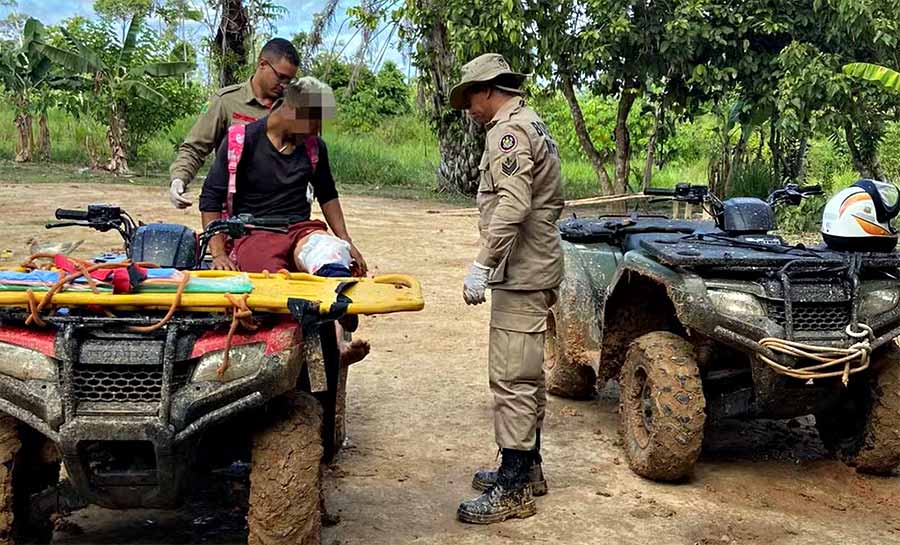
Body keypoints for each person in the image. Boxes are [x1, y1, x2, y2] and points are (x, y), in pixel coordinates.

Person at [450, 53, 564, 524]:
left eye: (470, 98)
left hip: (522, 269)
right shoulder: (532, 122)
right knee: (527, 371)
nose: (468, 109)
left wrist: (482, 263)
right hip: (535, 265)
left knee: (512, 377)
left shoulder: (507, 132)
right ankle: (527, 467)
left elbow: (512, 206)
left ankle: (515, 487)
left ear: (489, 89)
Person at [198, 76, 369, 365]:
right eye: (313, 123)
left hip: (300, 229)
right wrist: (218, 252)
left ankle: (337, 330)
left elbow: (328, 195)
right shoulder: (243, 141)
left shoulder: (315, 148)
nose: (316, 131)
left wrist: (346, 240)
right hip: (255, 231)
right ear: (291, 111)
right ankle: (311, 347)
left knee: (332, 255)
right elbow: (210, 199)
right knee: (273, 288)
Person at [169, 38, 300, 209]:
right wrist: (179, 179)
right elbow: (195, 148)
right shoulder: (226, 102)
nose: (283, 85)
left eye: (288, 80)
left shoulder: (292, 108)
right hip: (233, 206)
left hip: (279, 208)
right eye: (280, 77)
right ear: (262, 64)